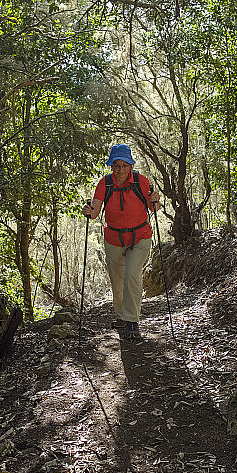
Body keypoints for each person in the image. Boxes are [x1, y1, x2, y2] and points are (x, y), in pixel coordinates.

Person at [82, 144, 160, 339]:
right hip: (114, 239)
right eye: (116, 166)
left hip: (140, 236)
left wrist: (156, 200)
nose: (121, 170)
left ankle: (132, 321)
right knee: (117, 281)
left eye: (125, 165)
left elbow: (155, 209)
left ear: (131, 166)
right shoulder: (105, 184)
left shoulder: (141, 182)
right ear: (111, 166)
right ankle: (122, 317)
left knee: (131, 275)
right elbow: (95, 211)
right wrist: (89, 211)